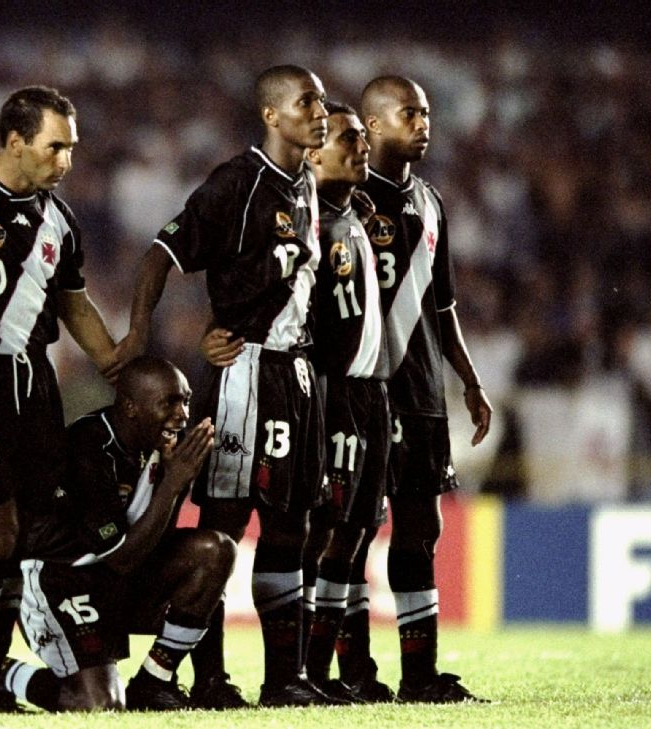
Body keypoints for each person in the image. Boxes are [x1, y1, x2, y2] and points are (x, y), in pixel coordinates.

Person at [111, 65, 337, 707]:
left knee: (290, 528)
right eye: (305, 102)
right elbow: (161, 252)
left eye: (321, 101)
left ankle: (285, 679)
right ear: (271, 114)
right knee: (225, 525)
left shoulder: (306, 185)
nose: (318, 111)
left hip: (294, 374)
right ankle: (206, 677)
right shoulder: (237, 184)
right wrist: (138, 336)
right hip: (244, 376)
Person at [0, 85, 119, 712]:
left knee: (23, 535)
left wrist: (118, 360)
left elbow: (73, 304)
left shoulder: (59, 221)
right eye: (54, 147)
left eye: (71, 148)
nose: (65, 160)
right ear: (15, 141)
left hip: (33, 387)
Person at [347, 75, 492, 703]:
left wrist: (469, 379)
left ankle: (420, 675)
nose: (424, 122)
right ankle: (351, 670)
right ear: (373, 124)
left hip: (423, 391)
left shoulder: (431, 203)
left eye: (427, 112)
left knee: (420, 526)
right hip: (361, 389)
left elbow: (443, 305)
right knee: (349, 528)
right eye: (410, 113)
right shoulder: (343, 198)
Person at [3, 356, 231, 711]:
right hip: (62, 579)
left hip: (113, 577)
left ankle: (153, 683)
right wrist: (172, 484)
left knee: (215, 551)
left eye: (185, 400)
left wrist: (175, 482)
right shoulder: (88, 447)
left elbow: (152, 540)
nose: (182, 414)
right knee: (98, 704)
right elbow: (122, 557)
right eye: (169, 402)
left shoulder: (161, 445)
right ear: (130, 407)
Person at [285, 102, 390, 703]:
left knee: (355, 533)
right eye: (345, 139)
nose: (359, 147)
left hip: (369, 390)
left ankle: (340, 670)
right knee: (326, 531)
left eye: (358, 137)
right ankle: (308, 670)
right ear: (314, 153)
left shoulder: (352, 214)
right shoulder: (308, 219)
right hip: (333, 388)